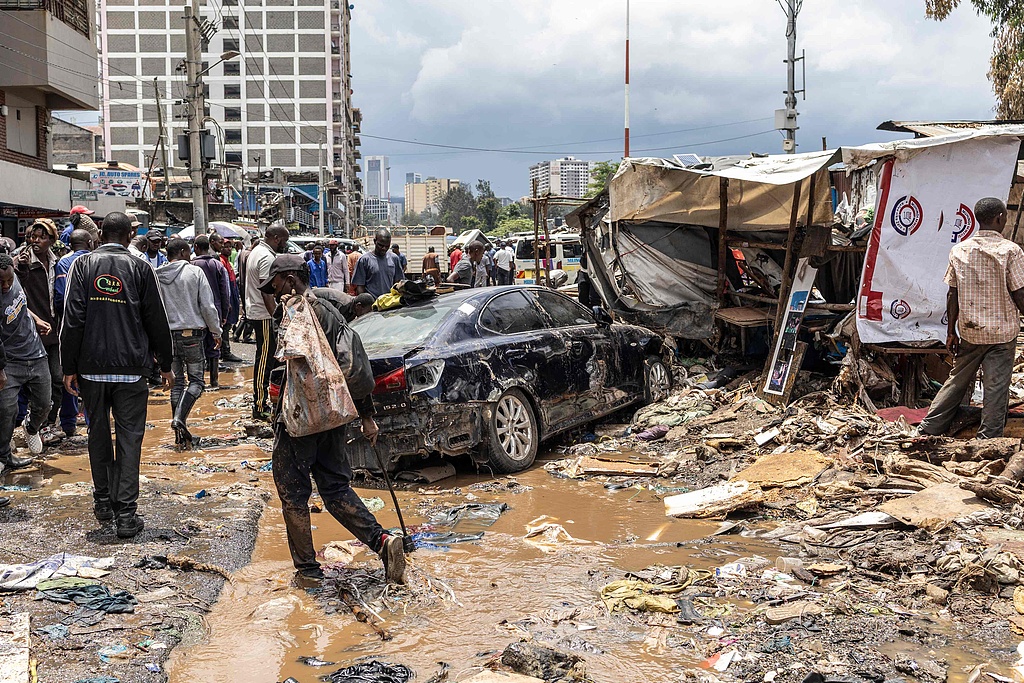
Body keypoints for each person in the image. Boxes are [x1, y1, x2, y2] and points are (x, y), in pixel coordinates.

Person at [260, 254, 406, 584]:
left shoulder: (294, 314)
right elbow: (354, 366)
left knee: (293, 494)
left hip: (300, 423)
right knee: (336, 488)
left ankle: (308, 573)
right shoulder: (332, 314)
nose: (274, 293)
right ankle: (383, 542)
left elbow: (284, 372)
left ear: (291, 280)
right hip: (334, 418)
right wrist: (367, 417)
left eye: (276, 285)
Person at [61, 212, 173, 539]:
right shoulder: (140, 268)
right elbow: (156, 319)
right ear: (129, 235)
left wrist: (69, 367)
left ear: (99, 236)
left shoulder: (81, 267)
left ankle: (102, 503)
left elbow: (72, 319)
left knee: (97, 434)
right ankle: (126, 515)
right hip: (131, 371)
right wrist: (165, 364)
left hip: (91, 371)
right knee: (129, 439)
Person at [920, 197, 1024, 440]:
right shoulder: (1010, 251)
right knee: (996, 387)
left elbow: (952, 293)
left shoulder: (960, 250)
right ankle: (987, 439)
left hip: (970, 330)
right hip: (1002, 332)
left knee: (957, 381)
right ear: (1000, 217)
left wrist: (949, 332)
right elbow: (1020, 294)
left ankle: (929, 427)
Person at [156, 238, 222, 449]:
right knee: (196, 382)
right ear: (184, 252)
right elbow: (207, 306)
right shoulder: (194, 273)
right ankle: (180, 420)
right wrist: (216, 331)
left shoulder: (157, 275)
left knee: (175, 382)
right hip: (191, 335)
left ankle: (179, 435)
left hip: (167, 337)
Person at [0, 254, 51, 470]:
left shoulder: (15, 279)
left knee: (44, 403)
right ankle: (4, 456)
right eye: (0, 282)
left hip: (35, 352)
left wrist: (37, 319)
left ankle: (31, 428)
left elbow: (20, 304)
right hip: (9, 360)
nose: (6, 286)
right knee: (6, 410)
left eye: (9, 280)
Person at [15, 218, 64, 439]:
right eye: (33, 236)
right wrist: (22, 266)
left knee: (58, 377)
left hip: (54, 329)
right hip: (33, 331)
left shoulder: (57, 262)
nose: (36, 241)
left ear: (52, 240)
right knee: (32, 381)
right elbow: (16, 298)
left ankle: (46, 422)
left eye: (42, 237)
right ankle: (30, 423)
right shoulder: (21, 261)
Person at [245, 222, 289, 420]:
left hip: (258, 311)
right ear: (277, 238)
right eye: (284, 241)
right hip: (263, 313)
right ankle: (260, 404)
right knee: (264, 359)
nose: (285, 245)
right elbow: (266, 291)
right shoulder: (265, 256)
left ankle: (262, 400)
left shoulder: (258, 251)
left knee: (266, 357)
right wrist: (276, 316)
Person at [192, 235, 230, 389]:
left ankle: (198, 383)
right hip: (216, 311)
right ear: (208, 246)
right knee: (214, 346)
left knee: (198, 347)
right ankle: (214, 382)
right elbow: (225, 292)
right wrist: (224, 314)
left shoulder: (190, 265)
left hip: (195, 313)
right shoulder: (217, 265)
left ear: (195, 247)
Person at [352, 229, 405, 300]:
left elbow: (398, 283)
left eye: (387, 246)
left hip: (390, 304)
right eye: (381, 245)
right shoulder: (364, 260)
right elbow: (360, 287)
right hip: (373, 305)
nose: (384, 248)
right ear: (374, 241)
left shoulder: (394, 258)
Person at [216, 236, 242, 363]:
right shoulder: (221, 261)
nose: (228, 249)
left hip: (232, 293)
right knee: (225, 326)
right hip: (228, 296)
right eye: (225, 246)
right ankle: (224, 351)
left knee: (229, 325)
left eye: (230, 247)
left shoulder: (228, 261)